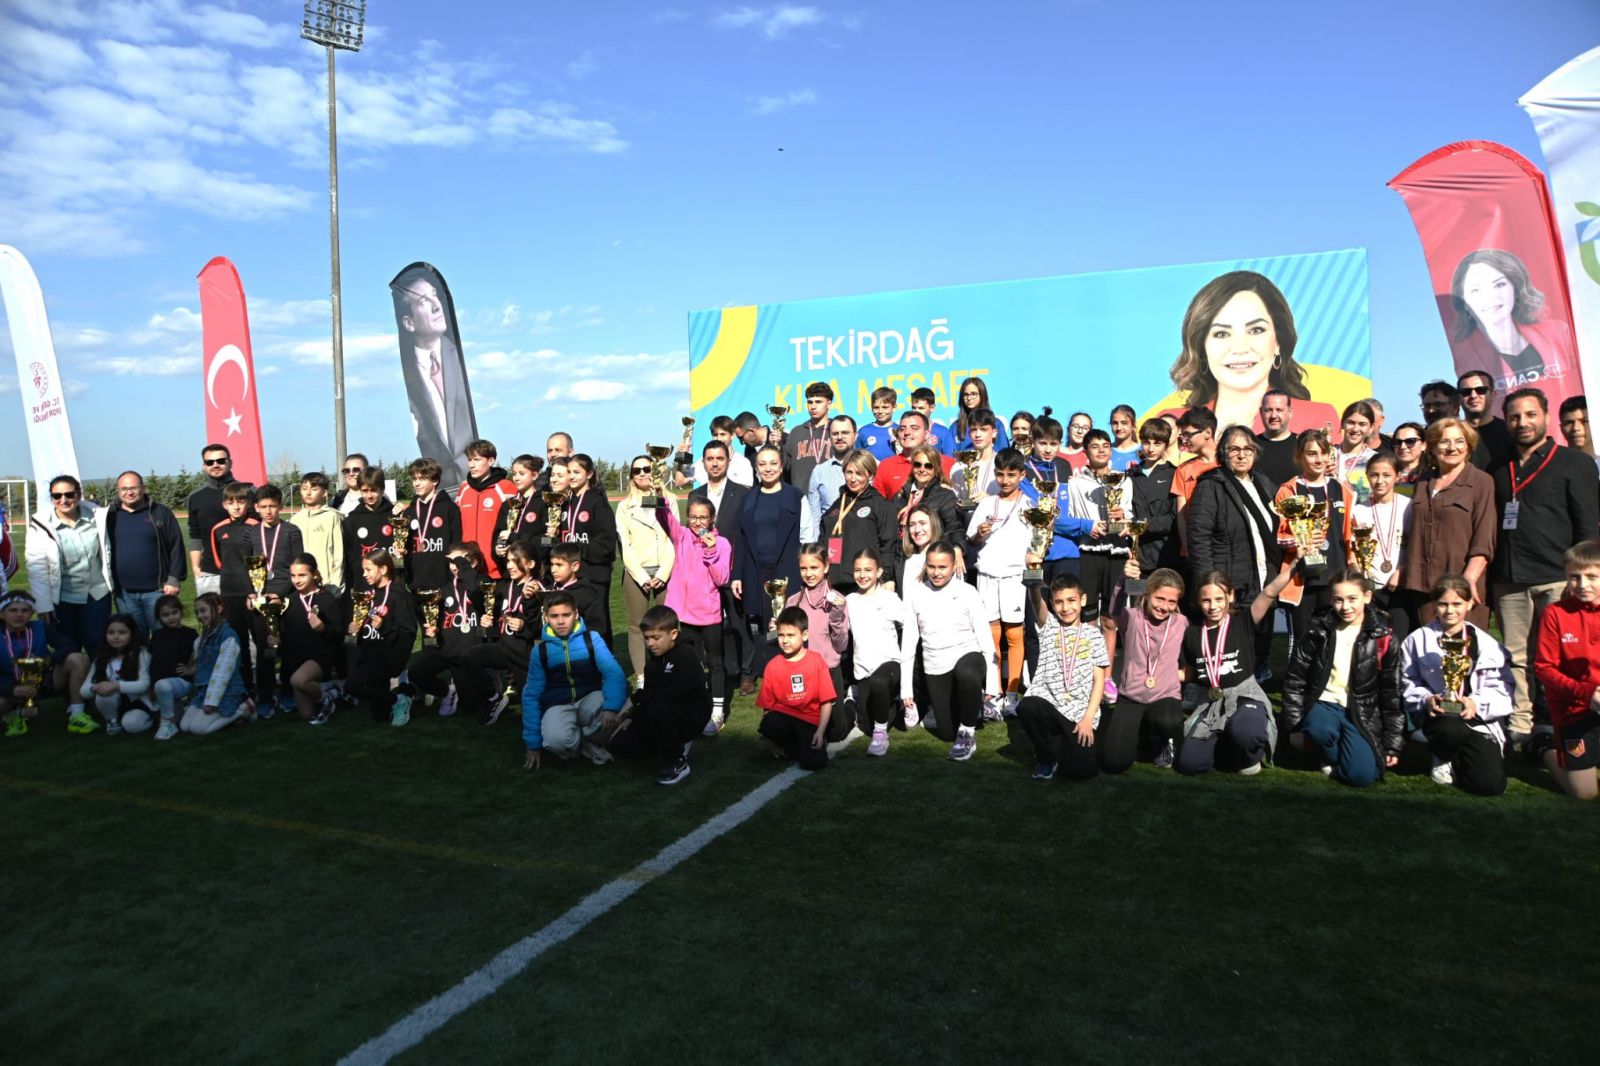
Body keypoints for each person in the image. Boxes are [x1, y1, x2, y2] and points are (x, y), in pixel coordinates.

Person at [1489, 387, 1600, 746]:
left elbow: (1587, 526)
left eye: (1530, 415)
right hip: (1510, 579)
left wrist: (1582, 577)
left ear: (1547, 418)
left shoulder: (1574, 463)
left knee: (1560, 657)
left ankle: (1560, 722)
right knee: (1516, 657)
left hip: (1557, 577)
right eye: (1515, 416)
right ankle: (1521, 726)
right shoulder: (1499, 467)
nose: (1522, 422)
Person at [1167, 270, 1338, 435]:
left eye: (1256, 330)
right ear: (1202, 348)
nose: (1240, 348)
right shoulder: (1172, 424)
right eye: (1221, 334)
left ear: (1278, 342)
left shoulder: (1316, 419)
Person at [1280, 570, 1404, 787]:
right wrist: (1294, 727)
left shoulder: (1383, 636)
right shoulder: (1318, 629)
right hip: (1324, 704)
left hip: (1361, 711)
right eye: (1338, 600)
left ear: (1367, 597)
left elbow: (1391, 692)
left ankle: (1343, 754)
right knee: (1319, 729)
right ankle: (1327, 752)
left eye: (1352, 599)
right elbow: (1295, 679)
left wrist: (1393, 743)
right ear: (1331, 600)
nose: (1345, 607)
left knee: (1361, 776)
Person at [1401, 575, 1513, 795]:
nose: (1450, 611)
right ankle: (1442, 754)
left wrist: (1475, 703)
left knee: (1488, 785)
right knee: (1449, 727)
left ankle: (1459, 757)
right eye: (1443, 604)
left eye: (1457, 604)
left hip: (1478, 721)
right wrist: (1426, 699)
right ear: (1434, 604)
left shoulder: (1487, 644)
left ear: (1469, 604)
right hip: (1439, 717)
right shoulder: (1417, 640)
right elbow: (1406, 681)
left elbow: (1503, 688)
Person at [1176, 566, 1292, 776]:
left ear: (1230, 596)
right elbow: (1191, 673)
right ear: (1198, 601)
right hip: (1212, 703)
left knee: (1246, 733)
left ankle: (1250, 752)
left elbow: (1270, 592)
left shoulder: (1243, 622)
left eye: (1219, 599)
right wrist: (1161, 677)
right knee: (1189, 764)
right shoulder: (1192, 633)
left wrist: (1295, 564)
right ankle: (1230, 744)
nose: (1213, 606)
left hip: (1245, 696)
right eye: (1206, 600)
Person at [1185, 426, 1282, 666]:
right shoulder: (1211, 485)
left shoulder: (1263, 483)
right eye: (1234, 449)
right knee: (1233, 649)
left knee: (1260, 643)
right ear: (1223, 453)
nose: (1241, 455)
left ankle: (1259, 681)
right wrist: (1209, 584)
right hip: (1231, 583)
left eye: (1247, 449)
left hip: (1264, 576)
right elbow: (1198, 538)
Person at [901, 541, 1000, 761]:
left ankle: (968, 734)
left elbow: (985, 638)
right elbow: (908, 643)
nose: (936, 573)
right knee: (946, 733)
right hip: (936, 666)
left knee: (967, 674)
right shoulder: (915, 594)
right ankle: (975, 708)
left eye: (942, 567)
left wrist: (992, 682)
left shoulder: (968, 592)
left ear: (954, 565)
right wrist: (906, 689)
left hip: (968, 658)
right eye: (931, 566)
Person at [1397, 418, 1496, 630]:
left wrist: (1467, 581)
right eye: (1444, 442)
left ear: (1468, 446)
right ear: (1432, 447)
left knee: (1463, 647)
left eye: (1459, 441)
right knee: (1427, 647)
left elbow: (1484, 538)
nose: (1452, 448)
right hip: (1423, 586)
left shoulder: (1481, 481)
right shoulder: (1423, 481)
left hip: (1462, 585)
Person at [1017, 573, 1111, 782]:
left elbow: (1099, 681)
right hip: (1049, 703)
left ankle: (1070, 747)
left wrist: (1088, 719)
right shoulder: (1049, 627)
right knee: (1027, 706)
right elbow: (1036, 602)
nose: (1065, 608)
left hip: (1079, 712)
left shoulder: (1094, 635)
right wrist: (1032, 576)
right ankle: (1046, 759)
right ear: (1052, 604)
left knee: (1081, 771)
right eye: (1058, 602)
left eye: (1071, 600)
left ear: (1082, 600)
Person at [1450, 248, 1578, 399]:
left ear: (1515, 288)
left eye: (1499, 285)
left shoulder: (1557, 332)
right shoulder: (1466, 358)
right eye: (1476, 290)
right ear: (1463, 302)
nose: (1490, 296)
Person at [521, 591, 629, 769]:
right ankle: (586, 742)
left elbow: (613, 672)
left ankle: (583, 737)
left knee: (623, 710)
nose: (560, 621)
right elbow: (531, 694)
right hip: (557, 703)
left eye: (566, 615)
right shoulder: (540, 650)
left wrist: (611, 708)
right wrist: (532, 743)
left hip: (590, 698)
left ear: (576, 614)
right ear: (546, 617)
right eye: (554, 616)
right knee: (556, 743)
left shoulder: (592, 639)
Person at [608, 605, 712, 785]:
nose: (650, 643)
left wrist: (634, 699)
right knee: (620, 744)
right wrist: (632, 717)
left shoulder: (686, 655)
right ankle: (666, 747)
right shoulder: (654, 661)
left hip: (690, 714)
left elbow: (670, 694)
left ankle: (678, 762)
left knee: (659, 707)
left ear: (673, 634)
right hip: (663, 710)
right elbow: (651, 691)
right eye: (647, 638)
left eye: (656, 638)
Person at [392, 269, 477, 486]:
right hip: (439, 486)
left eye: (435, 295)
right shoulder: (410, 374)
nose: (437, 305)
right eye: (424, 301)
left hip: (471, 483)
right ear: (409, 323)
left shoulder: (459, 359)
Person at [655, 493, 731, 733]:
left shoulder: (722, 543)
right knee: (692, 663)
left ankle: (717, 712)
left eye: (703, 517)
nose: (698, 522)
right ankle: (696, 705)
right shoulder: (682, 536)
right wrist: (659, 497)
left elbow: (722, 579)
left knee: (714, 662)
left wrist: (711, 551)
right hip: (683, 614)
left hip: (708, 614)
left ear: (712, 519)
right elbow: (664, 518)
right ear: (687, 518)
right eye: (694, 517)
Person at [1272, 429, 1353, 651]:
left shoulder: (1342, 490)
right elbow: (1279, 537)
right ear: (1299, 456)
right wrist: (1300, 542)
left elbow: (1348, 536)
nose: (1318, 459)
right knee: (1302, 642)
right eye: (1311, 453)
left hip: (1335, 579)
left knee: (1335, 640)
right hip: (1302, 581)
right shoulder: (1288, 491)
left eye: (1323, 453)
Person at [1532, 540, 1600, 800]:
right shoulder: (1556, 613)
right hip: (1573, 711)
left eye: (1592, 577)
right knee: (1584, 794)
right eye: (1574, 577)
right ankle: (1544, 747)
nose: (1582, 585)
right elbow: (1544, 668)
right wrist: (1588, 694)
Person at [1103, 566, 1188, 772]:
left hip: (1164, 697)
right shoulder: (1132, 618)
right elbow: (1115, 608)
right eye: (1160, 598)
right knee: (1114, 763)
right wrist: (1123, 579)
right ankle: (1141, 735)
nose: (1164, 607)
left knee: (1168, 721)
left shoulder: (1181, 623)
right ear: (1148, 594)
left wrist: (1179, 675)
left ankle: (1163, 740)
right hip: (1131, 697)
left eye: (1172, 601)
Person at [967, 449, 1031, 709]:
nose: (1005, 480)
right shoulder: (986, 504)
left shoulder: (1029, 505)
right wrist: (979, 534)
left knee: (1014, 633)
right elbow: (972, 540)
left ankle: (1012, 691)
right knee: (990, 635)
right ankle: (993, 690)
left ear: (1022, 475)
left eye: (1011, 475)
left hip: (1014, 575)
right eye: (1001, 475)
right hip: (986, 574)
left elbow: (1038, 541)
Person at [732, 446, 805, 670]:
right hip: (756, 571)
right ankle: (770, 671)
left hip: (787, 570)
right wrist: (737, 575)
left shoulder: (796, 497)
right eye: (762, 464)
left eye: (773, 463)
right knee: (764, 624)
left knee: (787, 621)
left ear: (781, 466)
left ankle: (792, 669)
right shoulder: (748, 498)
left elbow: (807, 538)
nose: (768, 468)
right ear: (756, 468)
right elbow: (740, 539)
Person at [1066, 430, 1132, 671]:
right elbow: (1072, 516)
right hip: (1089, 552)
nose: (1102, 450)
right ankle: (1086, 671)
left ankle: (1107, 677)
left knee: (1111, 618)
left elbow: (1131, 516)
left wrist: (1123, 516)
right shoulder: (1075, 483)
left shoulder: (1124, 480)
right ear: (1086, 452)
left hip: (1117, 552)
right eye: (1095, 446)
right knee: (1088, 617)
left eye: (1106, 445)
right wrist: (1087, 526)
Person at [398, 542, 486, 723]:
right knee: (416, 672)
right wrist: (434, 629)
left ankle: (489, 681)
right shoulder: (444, 590)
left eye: (459, 560)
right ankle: (447, 691)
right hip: (447, 651)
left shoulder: (482, 584)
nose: (455, 565)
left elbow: (474, 587)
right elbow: (439, 620)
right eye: (452, 561)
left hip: (468, 653)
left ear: (473, 562)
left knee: (471, 706)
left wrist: (462, 565)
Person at [25, 474, 112, 654]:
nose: (63, 500)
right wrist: (43, 605)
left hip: (97, 594)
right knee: (69, 650)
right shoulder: (40, 525)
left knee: (98, 645)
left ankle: (99, 673)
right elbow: (37, 568)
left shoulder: (98, 516)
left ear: (78, 494)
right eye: (57, 496)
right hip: (63, 598)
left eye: (69, 494)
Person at [846, 547, 913, 756]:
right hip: (863, 670)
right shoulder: (849, 600)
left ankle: (881, 734)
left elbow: (911, 625)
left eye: (868, 570)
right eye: (858, 570)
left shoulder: (889, 598)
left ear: (879, 572)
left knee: (879, 683)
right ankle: (897, 704)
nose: (862, 575)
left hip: (889, 665)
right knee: (867, 726)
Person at [0, 590, 90, 739]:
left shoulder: (40, 627)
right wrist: (11, 690)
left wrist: (47, 661)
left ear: (31, 613)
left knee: (77, 659)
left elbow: (68, 645)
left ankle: (77, 715)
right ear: (2, 614)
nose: (19, 615)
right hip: (9, 687)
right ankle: (14, 714)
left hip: (42, 682)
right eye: (13, 610)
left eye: (25, 610)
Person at [783, 544, 851, 740]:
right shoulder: (793, 601)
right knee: (805, 729)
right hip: (802, 672)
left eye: (814, 567)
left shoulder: (838, 600)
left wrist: (836, 616)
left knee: (836, 734)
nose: (809, 573)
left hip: (829, 671)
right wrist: (777, 630)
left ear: (826, 567)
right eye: (803, 568)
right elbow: (786, 645)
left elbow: (841, 646)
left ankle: (852, 706)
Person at [618, 454, 676, 683]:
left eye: (647, 469)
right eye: (637, 470)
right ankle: (642, 676)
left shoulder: (669, 500)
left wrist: (663, 573)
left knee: (667, 624)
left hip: (665, 570)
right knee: (637, 625)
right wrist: (641, 576)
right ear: (632, 476)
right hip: (636, 573)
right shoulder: (624, 506)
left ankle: (668, 669)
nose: (642, 473)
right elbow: (625, 545)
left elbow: (674, 539)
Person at [756, 605, 836, 770]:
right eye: (781, 635)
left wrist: (820, 732)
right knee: (769, 723)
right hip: (785, 719)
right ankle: (791, 747)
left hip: (810, 721)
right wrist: (770, 741)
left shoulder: (816, 661)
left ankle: (804, 745)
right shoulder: (772, 666)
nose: (785, 640)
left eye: (791, 635)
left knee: (814, 763)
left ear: (804, 635)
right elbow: (767, 709)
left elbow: (826, 702)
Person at [105, 471, 185, 636]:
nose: (129, 492)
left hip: (158, 590)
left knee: (164, 637)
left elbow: (176, 545)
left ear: (143, 488)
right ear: (118, 491)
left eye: (133, 488)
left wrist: (174, 579)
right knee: (134, 640)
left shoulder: (160, 512)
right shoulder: (109, 516)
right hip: (124, 593)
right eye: (124, 489)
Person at [345, 548, 418, 727]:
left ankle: (399, 700)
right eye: (363, 570)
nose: (364, 574)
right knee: (380, 716)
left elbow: (408, 634)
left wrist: (384, 627)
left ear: (383, 569)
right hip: (368, 654)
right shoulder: (369, 594)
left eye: (368, 570)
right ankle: (404, 692)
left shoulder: (399, 596)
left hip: (388, 656)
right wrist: (356, 629)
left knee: (352, 686)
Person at [1352, 452, 1411, 645]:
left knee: (1399, 642)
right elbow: (1353, 549)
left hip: (1400, 586)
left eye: (1386, 475)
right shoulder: (1358, 510)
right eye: (1374, 475)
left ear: (1397, 476)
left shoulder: (1409, 507)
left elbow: (1417, 546)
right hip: (1371, 588)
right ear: (1367, 476)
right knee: (1371, 644)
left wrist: (1401, 570)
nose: (1380, 481)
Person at [818, 450, 897, 593]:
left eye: (859, 473)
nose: (853, 479)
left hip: (864, 584)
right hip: (834, 583)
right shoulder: (836, 506)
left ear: (870, 475)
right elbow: (822, 541)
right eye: (849, 472)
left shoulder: (881, 505)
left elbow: (889, 546)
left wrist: (885, 578)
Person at [561, 454, 619, 644]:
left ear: (589, 474)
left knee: (597, 628)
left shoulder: (597, 502)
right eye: (569, 472)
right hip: (571, 576)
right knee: (574, 627)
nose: (571, 476)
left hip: (594, 575)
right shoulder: (566, 502)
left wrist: (575, 548)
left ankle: (604, 660)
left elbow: (607, 545)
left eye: (576, 472)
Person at [279, 554, 343, 724]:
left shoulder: (327, 599)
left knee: (298, 680)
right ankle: (329, 690)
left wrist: (322, 629)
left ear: (314, 574)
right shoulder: (289, 600)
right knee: (307, 715)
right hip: (297, 659)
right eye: (293, 575)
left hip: (320, 656)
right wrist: (276, 640)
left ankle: (326, 700)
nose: (296, 580)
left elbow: (338, 634)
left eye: (302, 575)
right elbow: (286, 633)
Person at [176, 593, 252, 735]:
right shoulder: (203, 636)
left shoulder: (228, 637)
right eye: (197, 612)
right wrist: (190, 670)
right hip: (205, 690)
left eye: (203, 611)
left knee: (198, 729)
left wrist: (212, 701)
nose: (200, 616)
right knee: (185, 726)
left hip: (226, 691)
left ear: (218, 609)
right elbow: (202, 662)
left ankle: (243, 710)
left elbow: (222, 672)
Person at [892, 443, 967, 576]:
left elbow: (955, 527)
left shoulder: (945, 495)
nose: (922, 469)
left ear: (936, 469)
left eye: (928, 466)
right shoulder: (901, 494)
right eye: (918, 465)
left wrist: (957, 548)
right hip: (903, 559)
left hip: (931, 560)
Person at [81, 614, 156, 735]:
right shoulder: (101, 657)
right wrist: (94, 687)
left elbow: (144, 685)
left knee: (132, 725)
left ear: (132, 634)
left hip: (139, 702)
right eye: (111, 633)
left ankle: (152, 718)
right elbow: (84, 691)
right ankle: (113, 721)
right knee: (103, 693)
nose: (116, 637)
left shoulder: (141, 654)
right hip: (114, 701)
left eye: (122, 633)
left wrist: (116, 686)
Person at [400, 457, 461, 595]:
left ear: (434, 480)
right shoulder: (409, 512)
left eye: (421, 479)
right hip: (416, 582)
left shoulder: (449, 509)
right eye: (414, 479)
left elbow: (456, 543)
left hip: (444, 582)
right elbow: (404, 547)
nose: (416, 483)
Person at [457, 440, 518, 579]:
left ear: (491, 461)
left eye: (477, 460)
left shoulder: (506, 488)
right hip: (468, 569)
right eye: (469, 460)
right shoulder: (464, 490)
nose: (471, 465)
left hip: (497, 569)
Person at [187, 443, 241, 597]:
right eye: (210, 462)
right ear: (204, 466)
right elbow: (195, 534)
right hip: (209, 571)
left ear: (230, 463)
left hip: (243, 570)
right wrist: (195, 567)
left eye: (221, 461)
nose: (215, 465)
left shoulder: (247, 491)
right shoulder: (195, 497)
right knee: (210, 612)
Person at [146, 594, 196, 741]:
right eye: (165, 615)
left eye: (174, 612)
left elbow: (203, 656)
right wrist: (151, 684)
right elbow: (153, 661)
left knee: (163, 685)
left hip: (181, 682)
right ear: (159, 617)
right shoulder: (157, 635)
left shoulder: (190, 634)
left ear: (181, 611)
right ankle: (175, 714)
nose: (171, 617)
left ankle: (167, 723)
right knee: (180, 720)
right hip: (161, 686)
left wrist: (191, 670)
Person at [1170, 407, 1219, 553]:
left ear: (1207, 433)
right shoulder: (1183, 470)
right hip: (1198, 549)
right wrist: (1187, 547)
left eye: (1188, 434)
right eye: (1182, 435)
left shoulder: (1230, 464)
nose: (1184, 440)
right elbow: (1181, 516)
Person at [874, 411, 956, 498]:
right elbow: (877, 502)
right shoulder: (886, 466)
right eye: (902, 429)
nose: (907, 432)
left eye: (914, 428)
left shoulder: (948, 464)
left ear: (927, 434)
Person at [803, 415, 858, 541]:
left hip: (863, 540)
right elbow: (814, 516)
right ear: (830, 437)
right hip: (831, 541)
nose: (840, 437)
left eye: (845, 433)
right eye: (835, 434)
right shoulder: (819, 472)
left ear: (855, 436)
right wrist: (816, 545)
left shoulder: (872, 467)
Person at [290, 472, 344, 597]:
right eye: (304, 489)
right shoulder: (295, 519)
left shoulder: (332, 517)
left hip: (327, 584)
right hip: (302, 583)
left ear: (324, 493)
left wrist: (336, 584)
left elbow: (338, 554)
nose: (308, 493)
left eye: (314, 489)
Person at [782, 381, 835, 493]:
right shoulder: (796, 432)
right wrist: (777, 446)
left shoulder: (837, 430)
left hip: (832, 497)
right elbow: (784, 466)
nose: (813, 407)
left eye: (818, 402)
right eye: (810, 402)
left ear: (829, 404)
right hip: (801, 497)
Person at [1456, 369, 1514, 470]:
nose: (1473, 396)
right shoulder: (1451, 434)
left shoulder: (1510, 431)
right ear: (1459, 398)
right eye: (1466, 392)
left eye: (1481, 390)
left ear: (1493, 394)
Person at [950, 408, 1002, 506]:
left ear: (994, 433)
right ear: (969, 433)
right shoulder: (959, 466)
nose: (978, 435)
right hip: (966, 516)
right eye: (973, 430)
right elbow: (952, 502)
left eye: (983, 429)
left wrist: (991, 499)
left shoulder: (1003, 465)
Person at [1331, 400, 1378, 505]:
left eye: (1362, 424)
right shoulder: (1327, 455)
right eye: (1351, 423)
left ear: (1371, 428)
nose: (1355, 429)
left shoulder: (1375, 460)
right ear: (1342, 423)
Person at [1253, 389, 1298, 487]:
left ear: (1290, 412)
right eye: (1268, 410)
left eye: (1279, 410)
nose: (1273, 415)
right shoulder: (1251, 446)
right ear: (1261, 412)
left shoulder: (1302, 445)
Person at [952, 377, 1009, 452]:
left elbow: (1004, 453)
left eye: (973, 394)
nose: (969, 398)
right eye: (965, 394)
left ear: (982, 395)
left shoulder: (996, 423)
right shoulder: (955, 426)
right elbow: (950, 455)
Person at [1557, 394, 1600, 473]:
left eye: (1584, 421)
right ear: (1561, 428)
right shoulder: (1554, 469)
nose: (1575, 428)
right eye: (1569, 423)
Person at [910, 387, 958, 456]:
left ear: (932, 408)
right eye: (913, 408)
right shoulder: (906, 432)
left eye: (921, 408)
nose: (916, 412)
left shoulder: (942, 432)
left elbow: (951, 459)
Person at [856, 386, 900, 460]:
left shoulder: (900, 430)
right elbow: (857, 459)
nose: (880, 411)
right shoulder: (863, 432)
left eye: (885, 407)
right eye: (876, 407)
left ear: (894, 407)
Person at [1390, 422, 1429, 493]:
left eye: (1410, 441)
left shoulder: (1432, 475)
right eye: (1398, 442)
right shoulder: (1385, 472)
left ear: (1424, 445)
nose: (1403, 447)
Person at [1108, 404, 1141, 472]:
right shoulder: (1105, 452)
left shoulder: (1144, 451)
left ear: (1133, 425)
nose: (1119, 428)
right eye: (1115, 423)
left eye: (1124, 423)